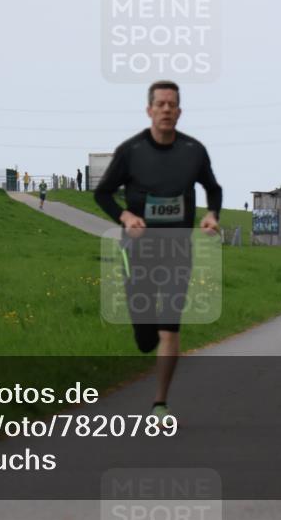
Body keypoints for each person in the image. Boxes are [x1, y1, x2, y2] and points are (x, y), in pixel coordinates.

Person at [94, 80, 222, 426]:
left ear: (179, 112)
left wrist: (212, 215)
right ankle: (144, 333)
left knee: (170, 327)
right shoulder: (131, 151)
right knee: (145, 336)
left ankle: (159, 404)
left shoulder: (194, 151)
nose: (166, 109)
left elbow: (213, 188)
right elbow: (103, 193)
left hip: (178, 249)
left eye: (172, 104)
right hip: (137, 250)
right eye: (160, 104)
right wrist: (125, 215)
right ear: (149, 110)